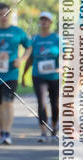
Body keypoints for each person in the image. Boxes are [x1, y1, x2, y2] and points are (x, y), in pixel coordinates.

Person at [0, 2, 30, 145]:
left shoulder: (17, 31)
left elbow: (29, 47)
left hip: (11, 74)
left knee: (7, 102)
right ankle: (2, 132)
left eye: (6, 14)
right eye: (1, 14)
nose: (4, 17)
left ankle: (7, 133)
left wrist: (21, 60)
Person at [22, 12, 60, 142]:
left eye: (46, 20)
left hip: (54, 76)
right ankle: (43, 131)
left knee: (55, 103)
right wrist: (24, 75)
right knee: (41, 103)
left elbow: (65, 56)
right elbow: (29, 59)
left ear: (50, 22)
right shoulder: (34, 39)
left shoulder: (57, 39)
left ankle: (54, 128)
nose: (44, 22)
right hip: (38, 75)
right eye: (42, 19)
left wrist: (62, 67)